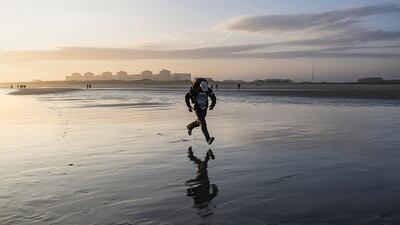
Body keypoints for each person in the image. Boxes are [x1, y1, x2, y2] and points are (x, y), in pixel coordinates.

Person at [185, 78, 216, 145]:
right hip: (197, 108)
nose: (204, 91)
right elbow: (187, 97)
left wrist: (212, 105)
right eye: (203, 90)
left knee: (199, 122)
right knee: (203, 123)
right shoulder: (194, 90)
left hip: (204, 108)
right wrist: (189, 106)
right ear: (200, 87)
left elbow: (213, 98)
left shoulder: (208, 90)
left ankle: (190, 127)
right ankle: (208, 139)